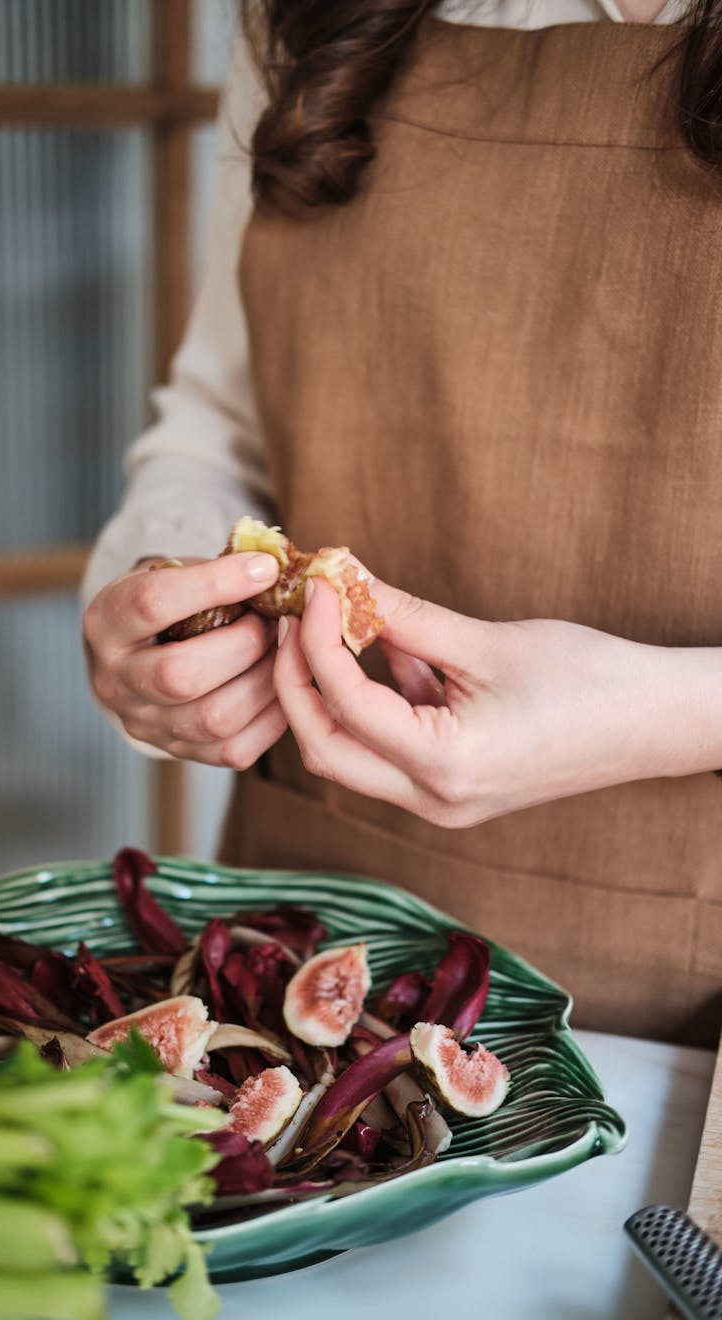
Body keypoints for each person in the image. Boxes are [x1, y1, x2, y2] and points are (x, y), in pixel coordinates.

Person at [82, 0, 722, 1049]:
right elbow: (217, 430)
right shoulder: (306, 14)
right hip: (317, 906)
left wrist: (672, 713)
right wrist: (152, 612)